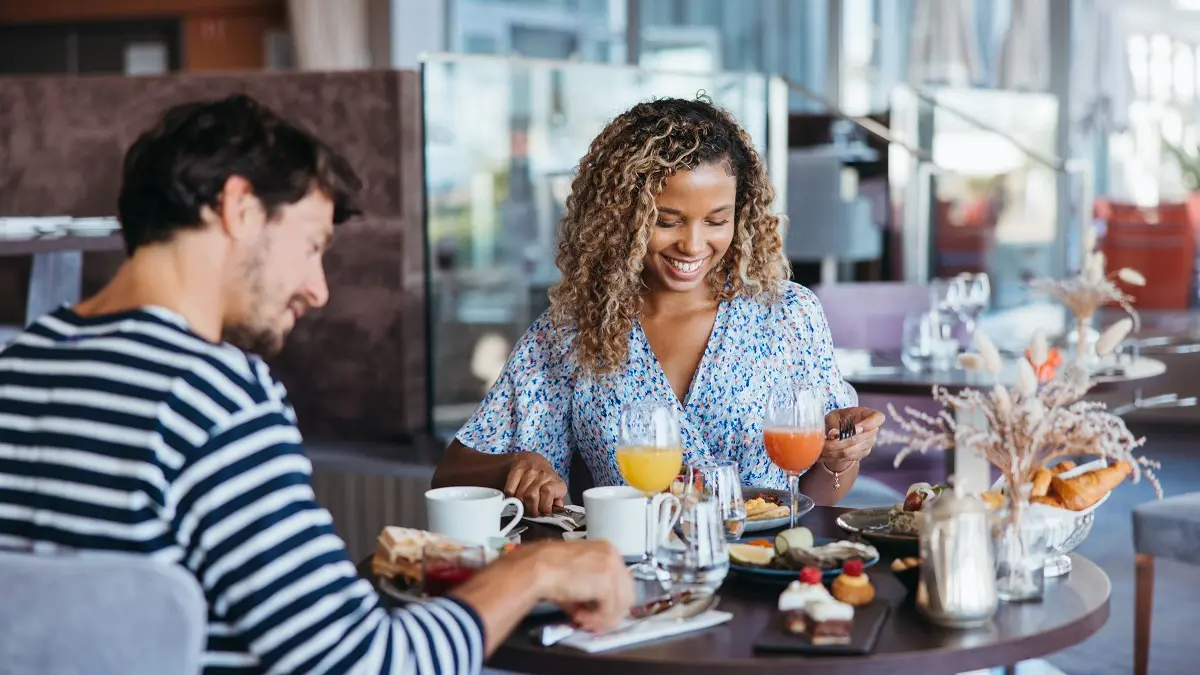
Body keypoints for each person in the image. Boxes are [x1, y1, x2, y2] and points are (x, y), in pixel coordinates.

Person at [0, 94, 633, 674]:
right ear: (239, 208)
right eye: (311, 245)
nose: (319, 288)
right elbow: (365, 665)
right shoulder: (211, 398)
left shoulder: (20, 366)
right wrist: (538, 568)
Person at [434, 97, 885, 516]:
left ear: (741, 214)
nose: (692, 245)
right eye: (665, 221)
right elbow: (451, 474)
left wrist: (837, 458)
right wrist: (520, 464)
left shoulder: (789, 314)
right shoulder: (574, 331)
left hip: (765, 572)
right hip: (637, 582)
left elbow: (819, 497)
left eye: (716, 220)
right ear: (620, 219)